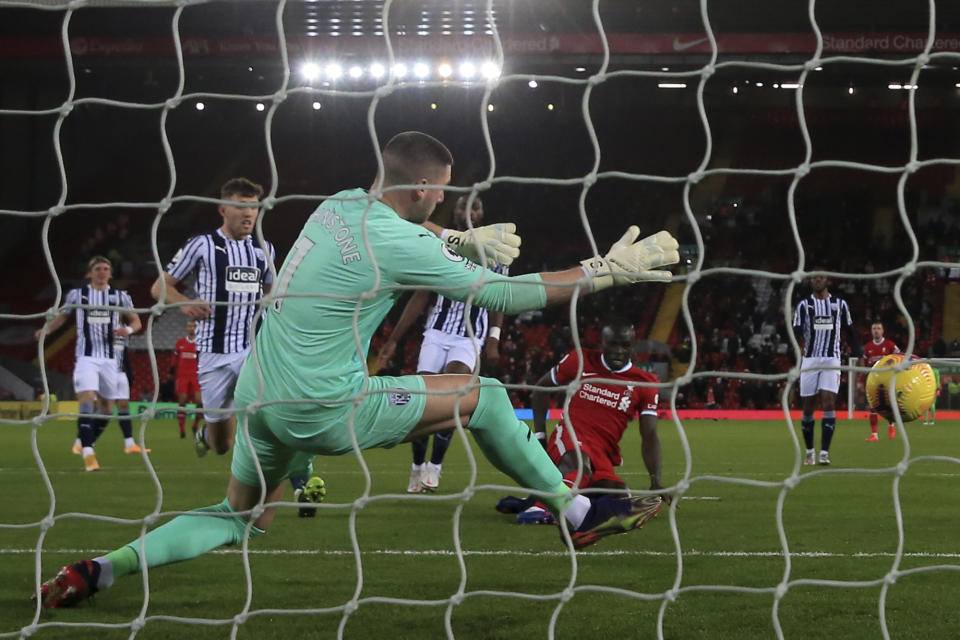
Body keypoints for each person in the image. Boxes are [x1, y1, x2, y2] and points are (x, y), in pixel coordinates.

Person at [35, 131, 680, 608]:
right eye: (443, 191)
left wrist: (457, 241)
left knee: (237, 518)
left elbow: (395, 242)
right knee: (483, 395)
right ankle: (575, 513)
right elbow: (500, 295)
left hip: (259, 395)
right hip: (322, 406)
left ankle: (101, 569)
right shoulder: (399, 238)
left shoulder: (337, 204)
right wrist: (604, 270)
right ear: (428, 189)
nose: (444, 200)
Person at [375, 195, 507, 494]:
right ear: (456, 211)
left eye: (474, 206)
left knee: (451, 399)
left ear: (482, 211)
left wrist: (494, 340)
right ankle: (417, 467)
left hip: (469, 337)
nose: (468, 212)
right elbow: (421, 295)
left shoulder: (496, 252)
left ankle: (434, 466)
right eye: (463, 206)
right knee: (424, 401)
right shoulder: (439, 246)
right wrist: (394, 339)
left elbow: (500, 298)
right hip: (436, 333)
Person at [496, 315, 667, 525]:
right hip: (570, 436)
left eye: (625, 345)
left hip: (602, 453)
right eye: (613, 344)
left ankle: (536, 498)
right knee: (579, 464)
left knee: (621, 496)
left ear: (633, 346)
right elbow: (540, 390)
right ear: (602, 343)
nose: (619, 351)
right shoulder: (581, 360)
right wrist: (540, 435)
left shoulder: (645, 383)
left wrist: (655, 480)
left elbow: (649, 435)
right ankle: (540, 509)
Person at [150, 177, 275, 459]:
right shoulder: (201, 245)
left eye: (254, 208)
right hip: (212, 354)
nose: (249, 214)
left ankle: (300, 481)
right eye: (241, 207)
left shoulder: (264, 249)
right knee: (222, 445)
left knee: (270, 414)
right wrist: (184, 303)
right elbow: (159, 287)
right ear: (223, 209)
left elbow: (270, 290)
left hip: (252, 350)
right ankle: (207, 434)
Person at [35, 256, 142, 472]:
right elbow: (64, 316)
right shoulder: (78, 294)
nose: (102, 272)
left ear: (110, 273)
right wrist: (48, 330)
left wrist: (127, 330)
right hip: (86, 357)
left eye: (106, 269)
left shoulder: (119, 296)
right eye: (97, 269)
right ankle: (88, 453)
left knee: (106, 409)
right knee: (87, 400)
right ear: (89, 274)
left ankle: (84, 441)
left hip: (111, 360)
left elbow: (136, 321)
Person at [792, 271, 861, 466]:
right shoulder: (804, 306)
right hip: (810, 360)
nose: (817, 280)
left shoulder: (840, 305)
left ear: (827, 280)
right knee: (807, 408)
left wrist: (859, 353)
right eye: (814, 278)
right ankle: (809, 451)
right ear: (811, 281)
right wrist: (795, 348)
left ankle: (824, 452)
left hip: (832, 359)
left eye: (821, 277)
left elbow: (850, 329)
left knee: (829, 402)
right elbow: (796, 331)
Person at [861, 321, 899, 441]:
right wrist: (862, 379)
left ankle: (891, 425)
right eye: (874, 328)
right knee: (872, 407)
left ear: (883, 331)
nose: (876, 330)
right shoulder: (867, 347)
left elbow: (900, 357)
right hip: (874, 381)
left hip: (888, 380)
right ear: (871, 331)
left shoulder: (890, 345)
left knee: (889, 405)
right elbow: (865, 365)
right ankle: (874, 434)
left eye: (878, 328)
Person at [172, 320, 203, 439]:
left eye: (194, 326)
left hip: (196, 376)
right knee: (182, 402)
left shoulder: (200, 343)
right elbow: (174, 360)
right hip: (182, 376)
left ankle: (195, 425)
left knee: (200, 402)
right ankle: (182, 430)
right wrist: (172, 374)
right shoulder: (180, 343)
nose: (191, 328)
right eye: (189, 326)